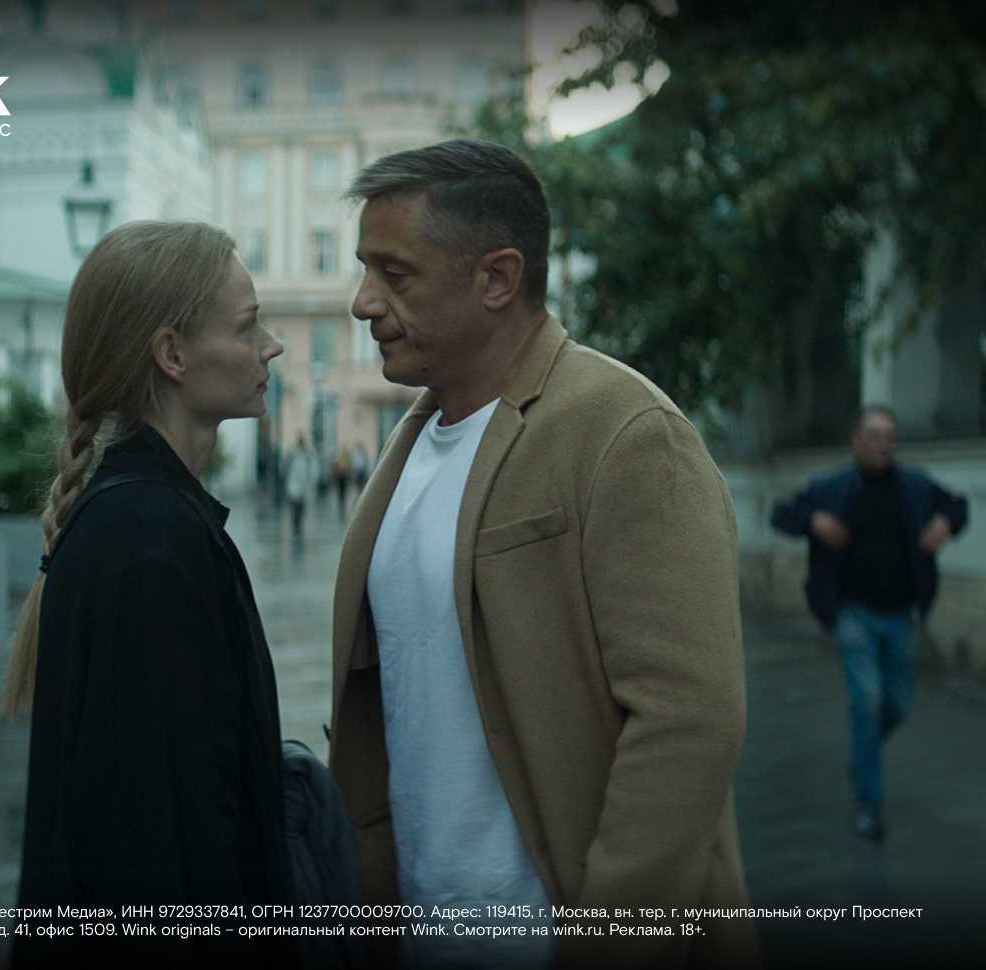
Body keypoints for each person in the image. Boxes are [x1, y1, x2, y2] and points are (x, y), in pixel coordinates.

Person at [328, 139, 757, 968]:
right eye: (364, 270)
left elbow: (688, 720)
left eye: (395, 274)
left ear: (497, 278)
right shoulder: (409, 444)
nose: (362, 302)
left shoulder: (627, 432)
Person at [1, 222, 290, 965]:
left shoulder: (142, 519)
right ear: (172, 354)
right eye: (247, 327)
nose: (272, 347)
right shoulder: (150, 543)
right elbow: (153, 854)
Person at [770, 405, 969, 843]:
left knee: (898, 705)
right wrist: (814, 520)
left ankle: (863, 757)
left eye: (890, 436)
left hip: (901, 615)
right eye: (875, 435)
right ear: (856, 441)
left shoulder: (914, 486)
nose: (884, 444)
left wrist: (944, 523)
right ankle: (869, 804)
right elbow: (781, 514)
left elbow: (958, 506)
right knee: (868, 700)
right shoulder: (832, 487)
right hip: (853, 613)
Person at [284, 434, 314, 541]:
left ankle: (298, 529)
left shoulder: (306, 456)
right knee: (295, 510)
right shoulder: (293, 455)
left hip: (302, 488)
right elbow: (288, 470)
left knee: (300, 510)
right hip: (294, 487)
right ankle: (295, 530)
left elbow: (310, 472)